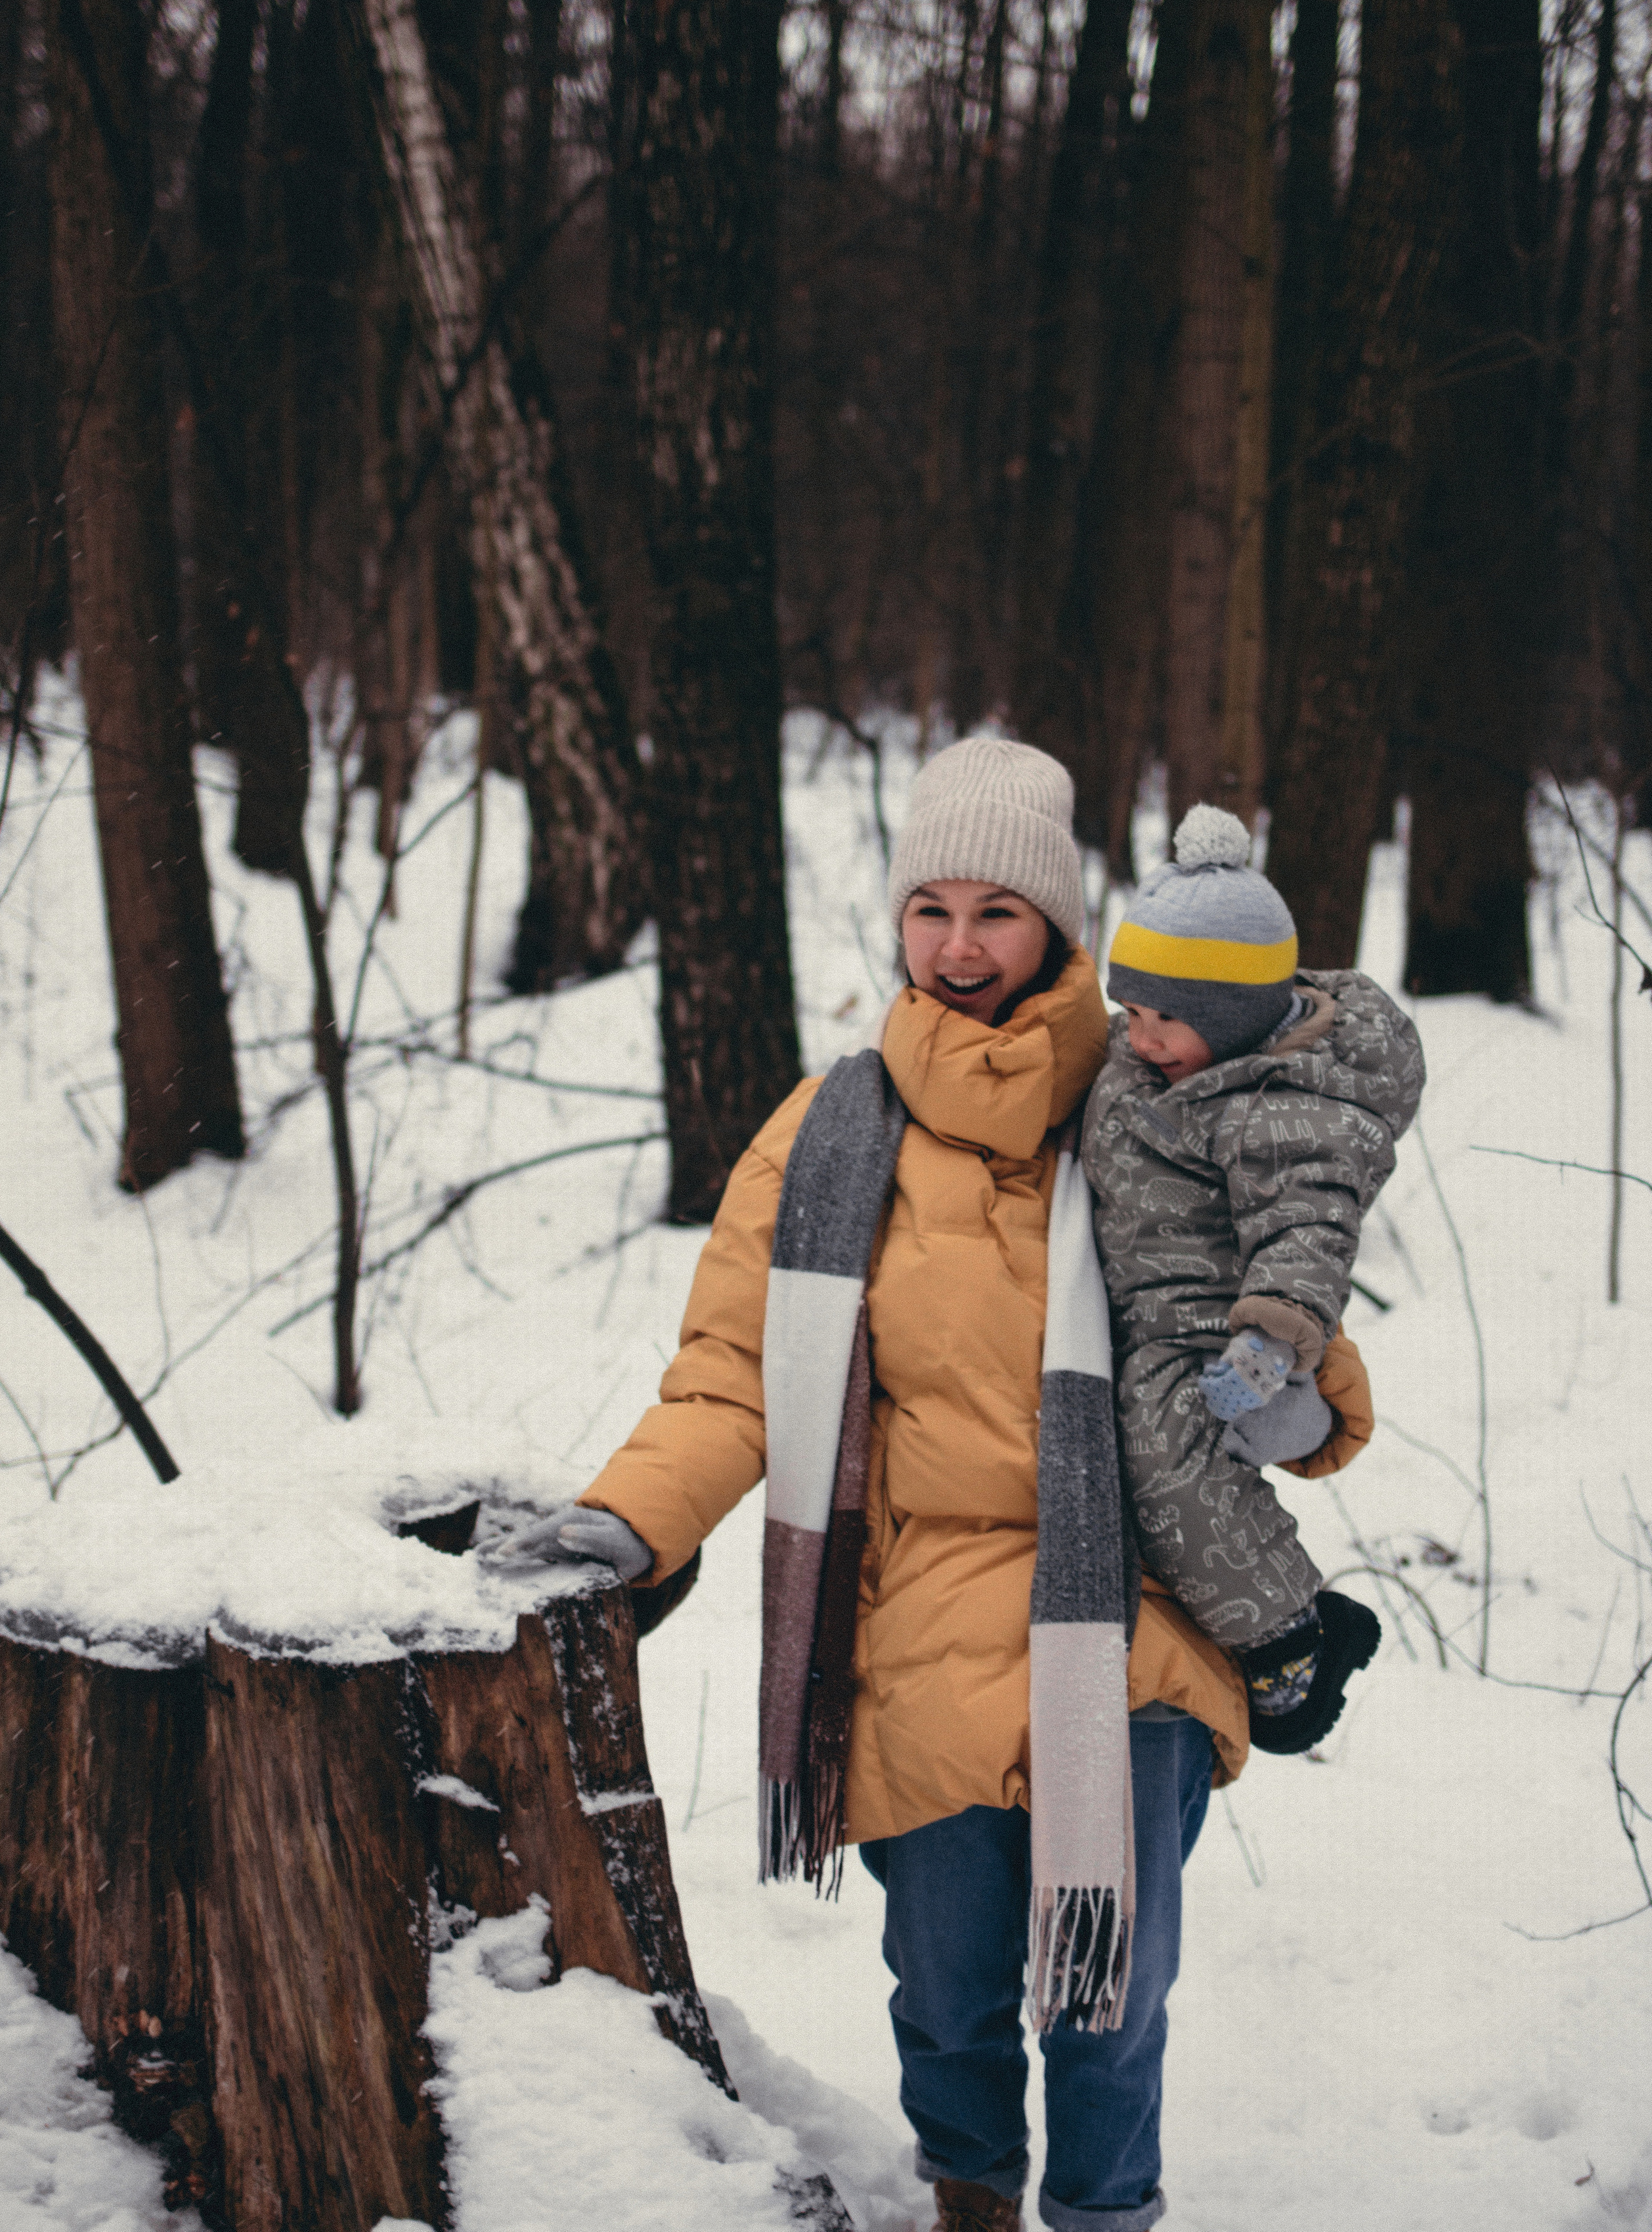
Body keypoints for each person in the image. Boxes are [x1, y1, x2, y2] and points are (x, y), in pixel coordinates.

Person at [505, 739, 1373, 2232]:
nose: (960, 947)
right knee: (949, 1981)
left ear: (1055, 928)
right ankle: (969, 2192)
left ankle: (1107, 2213)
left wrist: (1297, 1404)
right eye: (931, 911)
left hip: (1135, 1617)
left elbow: (1288, 1330)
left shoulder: (1155, 1100)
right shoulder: (825, 1131)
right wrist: (629, 1519)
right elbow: (730, 1373)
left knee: (1110, 1992)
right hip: (913, 1629)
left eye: (997, 913)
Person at [1084, 801, 1425, 1753]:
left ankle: (1289, 1637)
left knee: (1164, 1457)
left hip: (1206, 1327)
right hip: (1138, 1306)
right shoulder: (1157, 1059)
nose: (1139, 1038)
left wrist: (1272, 1338)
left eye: (1166, 1022)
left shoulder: (1282, 1107)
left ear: (1234, 1022)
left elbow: (1310, 1224)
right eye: (1130, 1012)